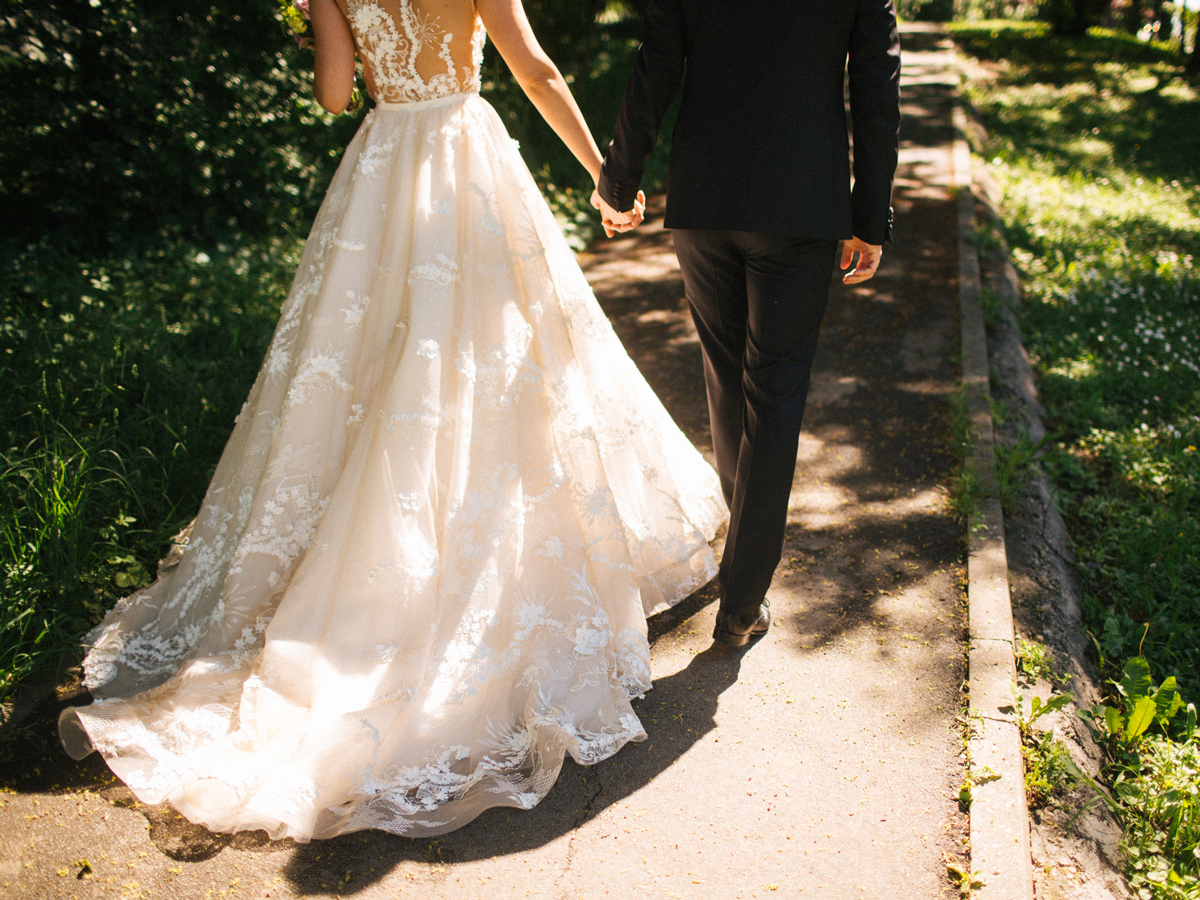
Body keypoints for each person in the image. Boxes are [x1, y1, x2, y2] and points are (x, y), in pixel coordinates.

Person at [58, 0, 726, 841]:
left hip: (385, 165)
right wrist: (603, 168)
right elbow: (535, 70)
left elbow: (336, 98)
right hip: (464, 161)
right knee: (496, 358)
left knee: (371, 369)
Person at [594, 0, 901, 647]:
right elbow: (877, 83)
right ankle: (742, 598)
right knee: (775, 391)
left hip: (705, 197)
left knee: (728, 380)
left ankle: (743, 565)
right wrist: (869, 218)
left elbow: (655, 63)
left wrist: (618, 180)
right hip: (800, 202)